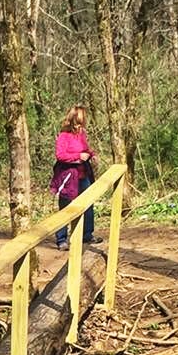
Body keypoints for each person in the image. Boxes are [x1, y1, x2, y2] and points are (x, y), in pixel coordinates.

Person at [50, 104, 103, 250]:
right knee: (66, 207)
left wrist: (91, 155)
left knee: (88, 204)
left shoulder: (81, 135)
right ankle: (61, 239)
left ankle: (87, 235)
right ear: (74, 120)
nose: (82, 124)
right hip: (68, 177)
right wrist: (78, 157)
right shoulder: (63, 136)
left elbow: (85, 149)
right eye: (80, 120)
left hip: (83, 175)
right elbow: (60, 155)